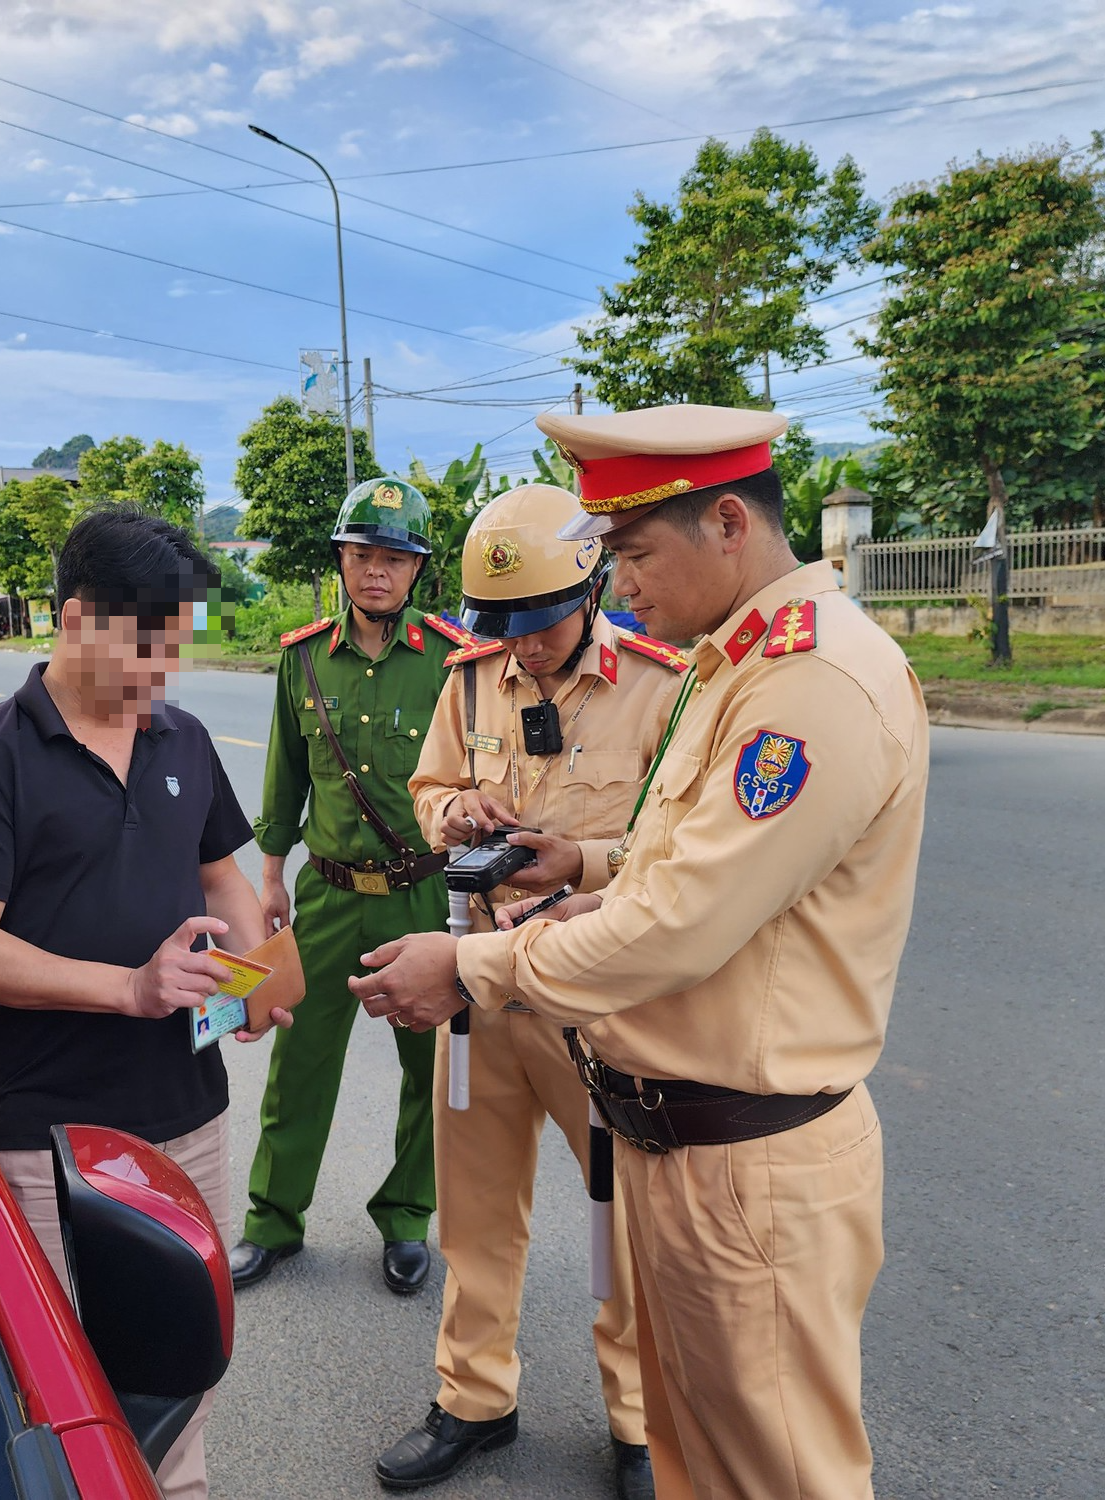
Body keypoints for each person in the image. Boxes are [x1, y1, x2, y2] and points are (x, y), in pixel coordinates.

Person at [348, 404, 930, 1500]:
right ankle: (480, 1397)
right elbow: (670, 865)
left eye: (632, 554)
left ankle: (625, 1424)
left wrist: (469, 965)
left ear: (727, 525)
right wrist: (568, 865)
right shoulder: (727, 668)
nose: (622, 585)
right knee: (498, 1231)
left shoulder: (798, 680)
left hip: (704, 1116)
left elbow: (677, 921)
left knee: (767, 1463)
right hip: (632, 1072)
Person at [0, 506, 291, 1500]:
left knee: (181, 1368)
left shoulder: (183, 739)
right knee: (61, 1387)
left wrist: (256, 979)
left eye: (178, 644)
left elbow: (223, 877)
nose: (166, 669)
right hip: (49, 1135)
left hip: (186, 1120)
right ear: (76, 618)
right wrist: (127, 988)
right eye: (147, 645)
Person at [375, 484, 685, 1500]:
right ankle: (473, 1398)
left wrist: (583, 861)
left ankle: (640, 1423)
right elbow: (427, 794)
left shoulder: (661, 689)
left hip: (596, 1001)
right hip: (478, 989)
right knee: (473, 1212)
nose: (525, 645)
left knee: (617, 1219)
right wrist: (455, 810)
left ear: (591, 592)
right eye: (503, 624)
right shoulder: (471, 683)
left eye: (542, 621)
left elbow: (681, 853)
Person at [229, 476, 475, 1297]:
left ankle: (406, 1218)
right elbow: (284, 775)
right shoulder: (301, 657)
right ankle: (272, 1219)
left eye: (394, 559)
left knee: (429, 1065)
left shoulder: (453, 660)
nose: (377, 571)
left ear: (417, 570)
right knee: (298, 1059)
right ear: (340, 560)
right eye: (363, 554)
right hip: (328, 895)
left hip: (423, 894)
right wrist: (271, 877)